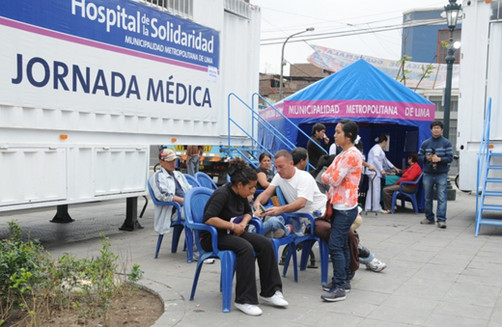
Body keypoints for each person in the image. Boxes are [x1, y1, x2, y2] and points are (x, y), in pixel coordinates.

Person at [201, 158, 288, 316]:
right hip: (214, 237)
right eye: (251, 187)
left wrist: (244, 222)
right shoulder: (222, 194)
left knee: (265, 244)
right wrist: (232, 226)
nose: (253, 190)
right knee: (245, 248)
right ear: (239, 184)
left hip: (234, 232)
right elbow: (208, 218)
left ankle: (271, 291)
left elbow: (248, 212)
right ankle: (244, 300)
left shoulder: (242, 194)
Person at [320, 119, 362, 302]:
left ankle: (339, 287)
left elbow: (333, 179)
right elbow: (324, 175)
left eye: (338, 132)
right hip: (338, 205)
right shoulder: (341, 155)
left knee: (335, 245)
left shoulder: (352, 155)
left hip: (346, 207)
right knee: (342, 244)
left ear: (349, 135)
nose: (334, 135)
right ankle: (343, 280)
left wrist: (329, 176)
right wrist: (329, 176)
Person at [149, 148, 214, 263]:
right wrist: (185, 201)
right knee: (197, 217)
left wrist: (194, 199)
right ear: (161, 162)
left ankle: (208, 247)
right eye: (170, 161)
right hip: (173, 211)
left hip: (186, 206)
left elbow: (189, 188)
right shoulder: (158, 177)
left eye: (174, 160)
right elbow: (163, 195)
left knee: (210, 214)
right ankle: (197, 253)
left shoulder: (178, 174)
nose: (173, 163)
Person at [254, 150, 327, 236]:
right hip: (302, 217)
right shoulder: (278, 177)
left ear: (291, 164)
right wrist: (257, 202)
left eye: (281, 167)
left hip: (321, 213)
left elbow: (301, 203)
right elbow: (266, 193)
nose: (278, 170)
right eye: (276, 167)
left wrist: (279, 209)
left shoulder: (304, 177)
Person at [418, 120, 453, 229]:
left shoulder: (446, 143)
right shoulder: (426, 143)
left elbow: (450, 158)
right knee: (428, 197)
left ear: (441, 130)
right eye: (434, 128)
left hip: (441, 173)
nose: (436, 130)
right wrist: (426, 158)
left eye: (438, 128)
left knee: (442, 197)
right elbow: (419, 157)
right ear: (431, 130)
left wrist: (440, 159)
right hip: (428, 173)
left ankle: (441, 219)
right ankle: (429, 218)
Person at [364, 134, 401, 213]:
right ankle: (376, 207)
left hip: (372, 171)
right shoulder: (377, 149)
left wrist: (394, 168)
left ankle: (368, 206)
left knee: (371, 189)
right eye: (386, 143)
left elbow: (386, 160)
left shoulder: (377, 148)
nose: (386, 145)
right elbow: (376, 160)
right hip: (375, 172)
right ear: (384, 141)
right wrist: (381, 170)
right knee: (376, 190)